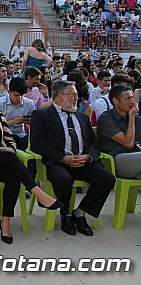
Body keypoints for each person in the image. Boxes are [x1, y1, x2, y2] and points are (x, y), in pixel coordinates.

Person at [0, 83, 62, 244]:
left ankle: (5, 222)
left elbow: (10, 138)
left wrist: (7, 148)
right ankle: (38, 193)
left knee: (12, 176)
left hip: (3, 161)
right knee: (8, 157)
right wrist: (4, 149)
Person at [30, 80, 116, 237]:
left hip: (83, 161)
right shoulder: (42, 115)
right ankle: (66, 214)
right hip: (58, 162)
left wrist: (88, 157)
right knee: (63, 179)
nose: (77, 99)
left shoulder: (82, 117)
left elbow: (94, 143)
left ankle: (81, 212)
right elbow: (37, 143)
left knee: (107, 178)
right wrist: (63, 158)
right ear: (60, 96)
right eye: (73, 95)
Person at [97, 85, 141, 179]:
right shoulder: (106, 118)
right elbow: (128, 143)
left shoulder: (135, 117)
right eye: (128, 99)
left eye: (132, 97)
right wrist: (132, 118)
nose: (133, 102)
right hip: (116, 160)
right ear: (115, 101)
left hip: (135, 158)